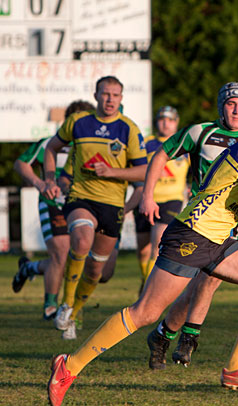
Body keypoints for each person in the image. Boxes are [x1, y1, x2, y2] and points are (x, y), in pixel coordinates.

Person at [47, 102, 238, 406]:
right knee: (145, 312)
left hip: (217, 237)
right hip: (193, 235)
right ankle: (69, 366)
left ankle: (237, 368)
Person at [144, 82, 238, 370]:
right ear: (221, 106)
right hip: (197, 224)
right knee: (188, 287)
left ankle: (182, 339)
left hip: (230, 227)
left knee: (209, 281)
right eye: (231, 103)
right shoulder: (201, 132)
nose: (237, 109)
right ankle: (168, 335)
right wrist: (147, 195)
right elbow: (161, 154)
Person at [42, 75, 148, 340]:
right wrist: (51, 179)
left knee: (96, 271)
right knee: (81, 239)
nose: (110, 99)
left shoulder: (129, 129)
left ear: (121, 99)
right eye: (105, 94)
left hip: (112, 205)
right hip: (81, 197)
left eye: (115, 95)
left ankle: (74, 313)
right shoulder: (78, 122)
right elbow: (51, 148)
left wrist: (112, 171)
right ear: (96, 95)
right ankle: (65, 304)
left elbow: (144, 171)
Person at [12, 100, 95, 319]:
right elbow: (21, 163)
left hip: (81, 206)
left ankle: (29, 269)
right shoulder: (49, 143)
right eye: (75, 119)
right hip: (53, 204)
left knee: (75, 257)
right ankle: (50, 306)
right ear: (67, 121)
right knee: (60, 253)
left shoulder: (93, 146)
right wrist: (40, 184)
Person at [133, 106, 186, 294]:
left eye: (170, 120)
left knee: (157, 245)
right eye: (162, 119)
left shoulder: (184, 144)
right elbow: (136, 169)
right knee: (143, 250)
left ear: (176, 122)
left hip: (171, 200)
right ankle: (144, 278)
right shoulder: (146, 143)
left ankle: (149, 290)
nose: (166, 123)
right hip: (146, 199)